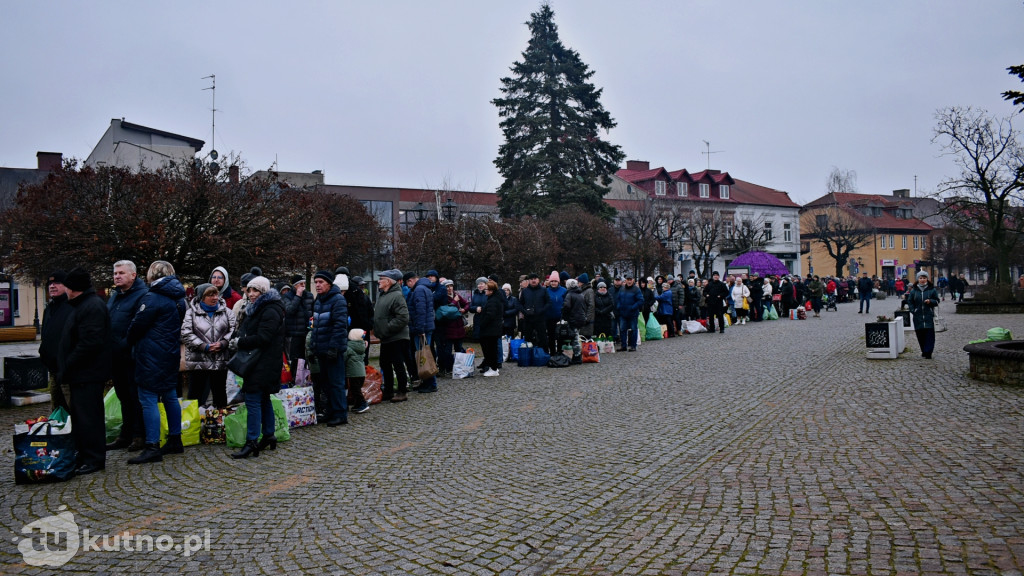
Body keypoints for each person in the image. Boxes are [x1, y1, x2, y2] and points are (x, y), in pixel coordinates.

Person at [126, 261, 186, 465]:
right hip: (169, 352)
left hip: (150, 354)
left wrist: (128, 339)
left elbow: (137, 326)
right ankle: (175, 439)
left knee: (148, 398)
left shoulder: (152, 297)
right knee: (170, 395)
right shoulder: (179, 297)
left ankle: (152, 445)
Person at [56, 267, 111, 476]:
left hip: (88, 373)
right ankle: (85, 455)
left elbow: (90, 342)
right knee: (81, 417)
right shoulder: (84, 305)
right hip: (82, 373)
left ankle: (94, 458)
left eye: (67, 287)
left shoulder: (92, 306)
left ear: (73, 289)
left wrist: (69, 362)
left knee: (90, 418)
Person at [230, 276, 286, 458]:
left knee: (253, 399)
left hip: (263, 362)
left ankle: (252, 441)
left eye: (255, 290)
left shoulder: (270, 309)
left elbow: (263, 338)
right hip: (262, 361)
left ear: (263, 292)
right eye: (249, 290)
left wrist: (240, 342)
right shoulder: (260, 308)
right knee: (263, 399)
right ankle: (269, 435)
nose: (251, 294)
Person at [106, 261, 148, 451]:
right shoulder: (115, 296)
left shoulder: (142, 295)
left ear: (133, 275)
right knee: (123, 396)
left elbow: (138, 326)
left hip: (132, 356)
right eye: (115, 273)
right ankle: (126, 434)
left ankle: (139, 435)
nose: (116, 276)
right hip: (115, 357)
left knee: (135, 396)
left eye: (121, 273)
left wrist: (124, 344)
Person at [181, 283, 237, 408]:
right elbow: (186, 333)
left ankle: (220, 422)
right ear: (202, 297)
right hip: (198, 362)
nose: (215, 298)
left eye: (216, 294)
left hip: (220, 361)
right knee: (195, 396)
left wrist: (223, 343)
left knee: (220, 394)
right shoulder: (191, 313)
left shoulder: (227, 312)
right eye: (210, 295)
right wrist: (203, 346)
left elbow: (233, 330)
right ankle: (193, 423)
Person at [310, 270, 350, 426]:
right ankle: (331, 411)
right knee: (326, 383)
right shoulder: (319, 300)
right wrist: (313, 346)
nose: (318, 285)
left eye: (321, 282)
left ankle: (340, 413)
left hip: (333, 349)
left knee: (336, 382)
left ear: (329, 283)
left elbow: (340, 326)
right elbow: (316, 326)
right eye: (316, 282)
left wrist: (334, 348)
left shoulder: (338, 300)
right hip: (321, 348)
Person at [374, 270, 412, 403]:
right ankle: (389, 391)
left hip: (396, 337)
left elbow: (403, 317)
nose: (379, 281)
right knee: (384, 363)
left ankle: (402, 391)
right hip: (386, 337)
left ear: (389, 282)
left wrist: (387, 328)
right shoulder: (383, 295)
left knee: (397, 364)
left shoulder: (396, 295)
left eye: (382, 279)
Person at [39, 271, 72, 412]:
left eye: (57, 283)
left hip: (68, 368)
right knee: (57, 408)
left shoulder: (72, 307)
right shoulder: (49, 309)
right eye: (50, 284)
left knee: (72, 406)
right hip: (53, 368)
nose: (52, 286)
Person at [405, 271, 438, 393]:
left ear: (411, 281)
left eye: (408, 284)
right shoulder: (425, 288)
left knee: (424, 355)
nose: (408, 287)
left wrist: (420, 329)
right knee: (425, 354)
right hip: (426, 326)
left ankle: (430, 383)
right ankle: (428, 382)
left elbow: (420, 311)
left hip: (422, 328)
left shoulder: (418, 290)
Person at [283, 274, 314, 377]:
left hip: (308, 332)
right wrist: (298, 296)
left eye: (304, 283)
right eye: (301, 284)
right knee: (296, 359)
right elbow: (289, 311)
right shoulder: (287, 296)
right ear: (295, 286)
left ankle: (307, 378)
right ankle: (294, 379)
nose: (303, 286)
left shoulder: (309, 295)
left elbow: (312, 310)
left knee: (308, 358)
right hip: (294, 333)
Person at [437, 280, 470, 377]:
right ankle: (448, 368)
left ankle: (458, 368)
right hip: (449, 328)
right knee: (447, 351)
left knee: (458, 349)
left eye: (451, 286)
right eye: (447, 287)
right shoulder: (443, 298)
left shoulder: (457, 295)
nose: (449, 288)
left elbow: (467, 303)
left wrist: (464, 309)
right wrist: (455, 301)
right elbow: (447, 311)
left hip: (459, 327)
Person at [906, 271, 940, 359]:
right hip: (918, 316)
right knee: (920, 335)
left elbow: (937, 301)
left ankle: (928, 352)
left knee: (929, 335)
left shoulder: (932, 289)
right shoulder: (914, 291)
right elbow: (910, 302)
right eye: (920, 278)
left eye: (924, 278)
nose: (922, 280)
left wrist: (930, 301)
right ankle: (924, 350)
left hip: (928, 315)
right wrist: (913, 310)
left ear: (927, 279)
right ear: (918, 279)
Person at [476, 280, 505, 376]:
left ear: (491, 291)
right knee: (491, 349)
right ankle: (493, 368)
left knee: (490, 349)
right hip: (493, 329)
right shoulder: (494, 299)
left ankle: (493, 368)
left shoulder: (493, 301)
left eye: (486, 289)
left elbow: (490, 315)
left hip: (491, 330)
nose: (485, 290)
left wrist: (482, 323)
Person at [519, 273, 549, 349]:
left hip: (540, 319)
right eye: (531, 279)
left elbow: (548, 303)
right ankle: (528, 357)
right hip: (528, 319)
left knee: (543, 339)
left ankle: (543, 356)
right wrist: (525, 311)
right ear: (529, 281)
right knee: (528, 339)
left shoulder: (543, 290)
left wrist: (541, 310)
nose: (533, 281)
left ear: (538, 280)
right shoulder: (525, 291)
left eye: (535, 279)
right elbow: (520, 304)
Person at [615, 274, 643, 351]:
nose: (629, 281)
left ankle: (633, 346)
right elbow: (618, 299)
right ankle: (623, 346)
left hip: (633, 313)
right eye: (628, 279)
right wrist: (619, 306)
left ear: (633, 280)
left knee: (633, 329)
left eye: (630, 279)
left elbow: (640, 300)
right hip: (623, 313)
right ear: (625, 280)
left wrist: (632, 307)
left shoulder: (636, 289)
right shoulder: (622, 289)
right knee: (622, 329)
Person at [561, 278, 587, 362]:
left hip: (573, 318)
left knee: (575, 338)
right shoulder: (581, 294)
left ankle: (577, 356)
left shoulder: (569, 295)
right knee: (576, 336)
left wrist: (564, 315)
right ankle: (577, 355)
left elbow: (567, 306)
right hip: (581, 318)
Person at [345, 328, 369, 413]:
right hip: (361, 372)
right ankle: (358, 404)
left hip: (353, 373)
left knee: (355, 390)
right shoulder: (361, 346)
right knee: (357, 389)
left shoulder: (349, 347)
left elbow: (344, 357)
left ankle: (363, 403)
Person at [545, 272, 566, 355]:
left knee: (561, 335)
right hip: (549, 317)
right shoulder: (546, 291)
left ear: (558, 282)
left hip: (560, 317)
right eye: (552, 281)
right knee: (551, 336)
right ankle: (552, 352)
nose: (553, 283)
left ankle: (560, 351)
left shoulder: (564, 290)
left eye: (555, 281)